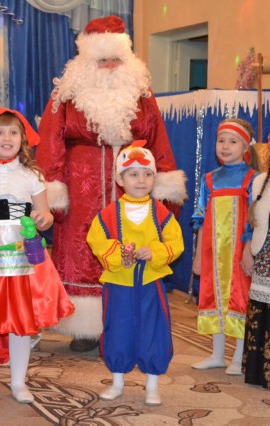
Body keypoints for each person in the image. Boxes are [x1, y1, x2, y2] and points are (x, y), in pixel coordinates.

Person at [36, 15, 186, 352]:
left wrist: (164, 183)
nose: (108, 66)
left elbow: (158, 140)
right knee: (81, 246)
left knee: (129, 242)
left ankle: (124, 322)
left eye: (115, 59)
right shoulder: (67, 93)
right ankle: (85, 328)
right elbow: (50, 140)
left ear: (127, 59)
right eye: (101, 59)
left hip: (132, 182)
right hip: (80, 184)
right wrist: (52, 188)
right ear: (87, 60)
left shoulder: (142, 93)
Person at [0, 108, 74, 404]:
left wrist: (43, 219)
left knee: (21, 322)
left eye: (13, 132)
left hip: (22, 257)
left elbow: (45, 215)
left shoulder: (32, 175)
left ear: (22, 139)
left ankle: (18, 382)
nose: (6, 138)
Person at [86, 140, 184, 406]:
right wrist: (119, 254)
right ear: (120, 179)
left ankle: (152, 384)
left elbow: (176, 242)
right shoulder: (108, 214)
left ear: (154, 178)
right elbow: (96, 240)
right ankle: (117, 381)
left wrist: (155, 251)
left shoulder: (161, 212)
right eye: (133, 174)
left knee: (153, 329)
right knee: (118, 328)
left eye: (147, 173)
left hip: (151, 282)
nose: (141, 180)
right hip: (119, 283)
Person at [191, 118, 257, 375]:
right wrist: (198, 255)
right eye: (221, 141)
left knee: (239, 299)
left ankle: (238, 358)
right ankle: (217, 355)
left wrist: (249, 250)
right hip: (213, 253)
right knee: (213, 297)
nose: (225, 146)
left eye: (232, 142)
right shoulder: (209, 180)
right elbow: (200, 218)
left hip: (239, 253)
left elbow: (255, 218)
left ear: (245, 147)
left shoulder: (252, 178)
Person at [245, 163, 270, 389]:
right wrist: (248, 250)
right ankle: (257, 372)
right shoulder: (260, 181)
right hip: (264, 256)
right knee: (261, 312)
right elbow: (252, 223)